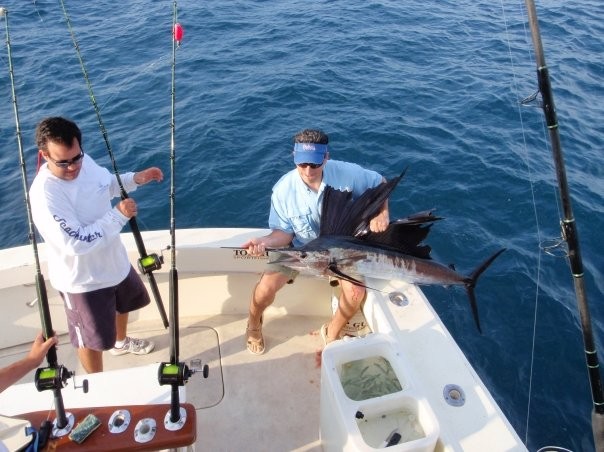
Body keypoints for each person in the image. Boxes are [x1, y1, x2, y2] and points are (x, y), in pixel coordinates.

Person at [29, 116, 163, 374]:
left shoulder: (83, 162)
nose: (73, 167)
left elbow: (107, 184)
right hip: (83, 281)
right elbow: (76, 242)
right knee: (90, 340)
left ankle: (121, 343)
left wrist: (136, 178)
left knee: (124, 304)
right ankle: (97, 382)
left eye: (76, 157)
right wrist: (119, 215)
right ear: (44, 155)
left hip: (114, 262)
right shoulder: (46, 194)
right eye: (63, 162)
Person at [242, 129, 389, 355]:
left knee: (355, 294)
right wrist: (262, 241)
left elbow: (380, 182)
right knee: (264, 290)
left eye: (314, 164)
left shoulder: (347, 174)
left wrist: (382, 213)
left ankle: (331, 334)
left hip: (341, 252)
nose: (308, 171)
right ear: (294, 157)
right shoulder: (283, 190)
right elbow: (284, 235)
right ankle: (253, 324)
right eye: (302, 164)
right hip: (301, 248)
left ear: (326, 157)